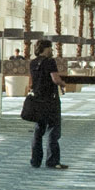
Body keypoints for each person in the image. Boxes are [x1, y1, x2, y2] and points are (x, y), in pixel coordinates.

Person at [28, 38, 66, 170]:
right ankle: (52, 161)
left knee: (38, 130)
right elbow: (55, 79)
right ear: (46, 48)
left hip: (38, 100)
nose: (52, 50)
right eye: (51, 48)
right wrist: (62, 83)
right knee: (53, 130)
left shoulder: (33, 63)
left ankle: (35, 160)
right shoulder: (50, 62)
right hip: (50, 100)